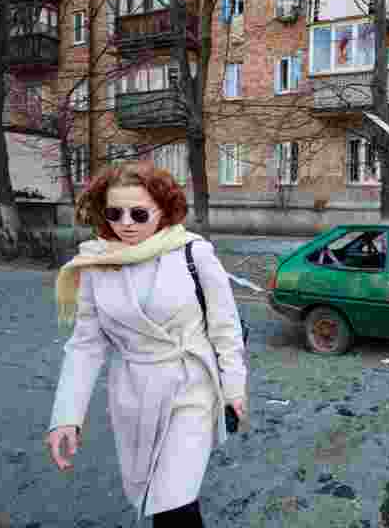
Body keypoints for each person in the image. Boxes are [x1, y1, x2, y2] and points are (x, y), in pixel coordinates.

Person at [45, 161, 247, 527]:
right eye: (114, 212)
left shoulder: (193, 253)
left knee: (174, 497)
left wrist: (234, 387)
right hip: (133, 394)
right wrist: (67, 416)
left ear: (163, 209)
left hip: (191, 389)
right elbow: (86, 345)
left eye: (139, 213)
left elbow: (225, 327)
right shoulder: (96, 262)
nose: (126, 223)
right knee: (161, 496)